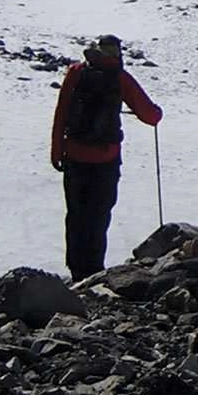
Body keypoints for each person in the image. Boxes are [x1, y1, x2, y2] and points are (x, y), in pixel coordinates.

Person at [49, 35, 163, 279]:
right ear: (117, 53)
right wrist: (158, 113)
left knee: (76, 215)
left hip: (75, 156)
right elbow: (150, 116)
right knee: (98, 216)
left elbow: (62, 112)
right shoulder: (119, 77)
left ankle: (76, 269)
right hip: (105, 159)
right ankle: (93, 271)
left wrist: (57, 151)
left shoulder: (76, 72)